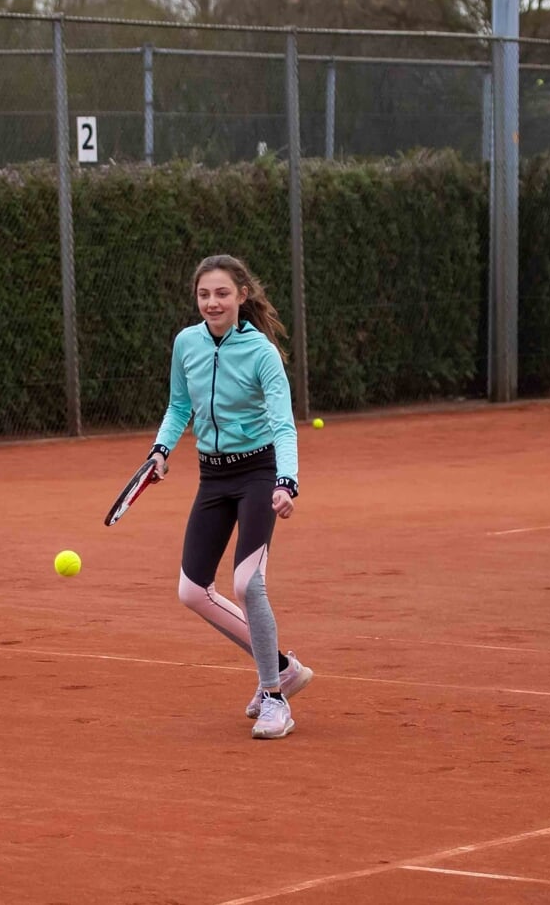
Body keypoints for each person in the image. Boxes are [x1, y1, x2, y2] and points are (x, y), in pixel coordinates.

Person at [148, 254, 313, 739]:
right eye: (204, 294)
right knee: (192, 591)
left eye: (221, 293)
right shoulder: (186, 343)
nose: (212, 302)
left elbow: (283, 424)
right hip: (212, 477)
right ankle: (281, 666)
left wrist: (287, 481)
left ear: (242, 295)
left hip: (259, 474)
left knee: (247, 584)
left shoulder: (261, 353)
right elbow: (180, 405)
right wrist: (160, 450)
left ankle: (275, 699)